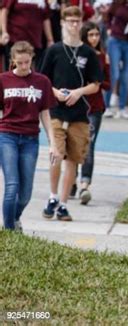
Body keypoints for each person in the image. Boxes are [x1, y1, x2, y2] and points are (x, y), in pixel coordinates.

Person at [40, 6, 102, 221]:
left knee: (73, 160)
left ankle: (64, 204)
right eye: (70, 21)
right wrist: (56, 92)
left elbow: (95, 84)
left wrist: (78, 92)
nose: (74, 25)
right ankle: (52, 196)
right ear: (63, 23)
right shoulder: (54, 50)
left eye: (77, 21)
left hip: (78, 112)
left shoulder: (88, 53)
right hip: (56, 111)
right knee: (56, 153)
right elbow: (43, 79)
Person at [0, 41, 59, 231]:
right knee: (12, 185)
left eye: (27, 62)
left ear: (32, 59)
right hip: (7, 136)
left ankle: (15, 217)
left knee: (25, 193)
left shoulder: (42, 82)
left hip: (30, 139)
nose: (24, 67)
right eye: (20, 63)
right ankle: (9, 230)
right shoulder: (3, 80)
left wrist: (53, 143)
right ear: (13, 61)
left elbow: (45, 115)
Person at [70, 21, 111, 205]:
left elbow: (108, 83)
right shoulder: (76, 55)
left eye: (97, 35)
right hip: (75, 106)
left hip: (95, 108)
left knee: (89, 146)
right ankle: (71, 179)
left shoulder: (102, 57)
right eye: (91, 35)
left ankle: (85, 184)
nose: (94, 38)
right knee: (72, 143)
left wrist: (98, 80)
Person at [0, 0, 55, 70]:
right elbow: (4, 11)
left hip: (35, 41)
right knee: (13, 69)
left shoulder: (43, 1)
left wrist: (50, 40)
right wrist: (4, 32)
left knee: (33, 71)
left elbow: (46, 19)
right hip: (14, 39)